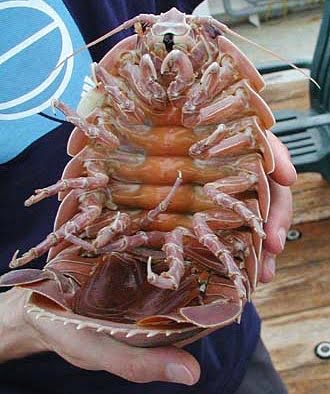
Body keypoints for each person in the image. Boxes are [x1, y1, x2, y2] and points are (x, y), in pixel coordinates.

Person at [0, 1, 295, 393]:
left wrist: (253, 144)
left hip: (221, 339)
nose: (170, 38)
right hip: (54, 362)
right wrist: (14, 320)